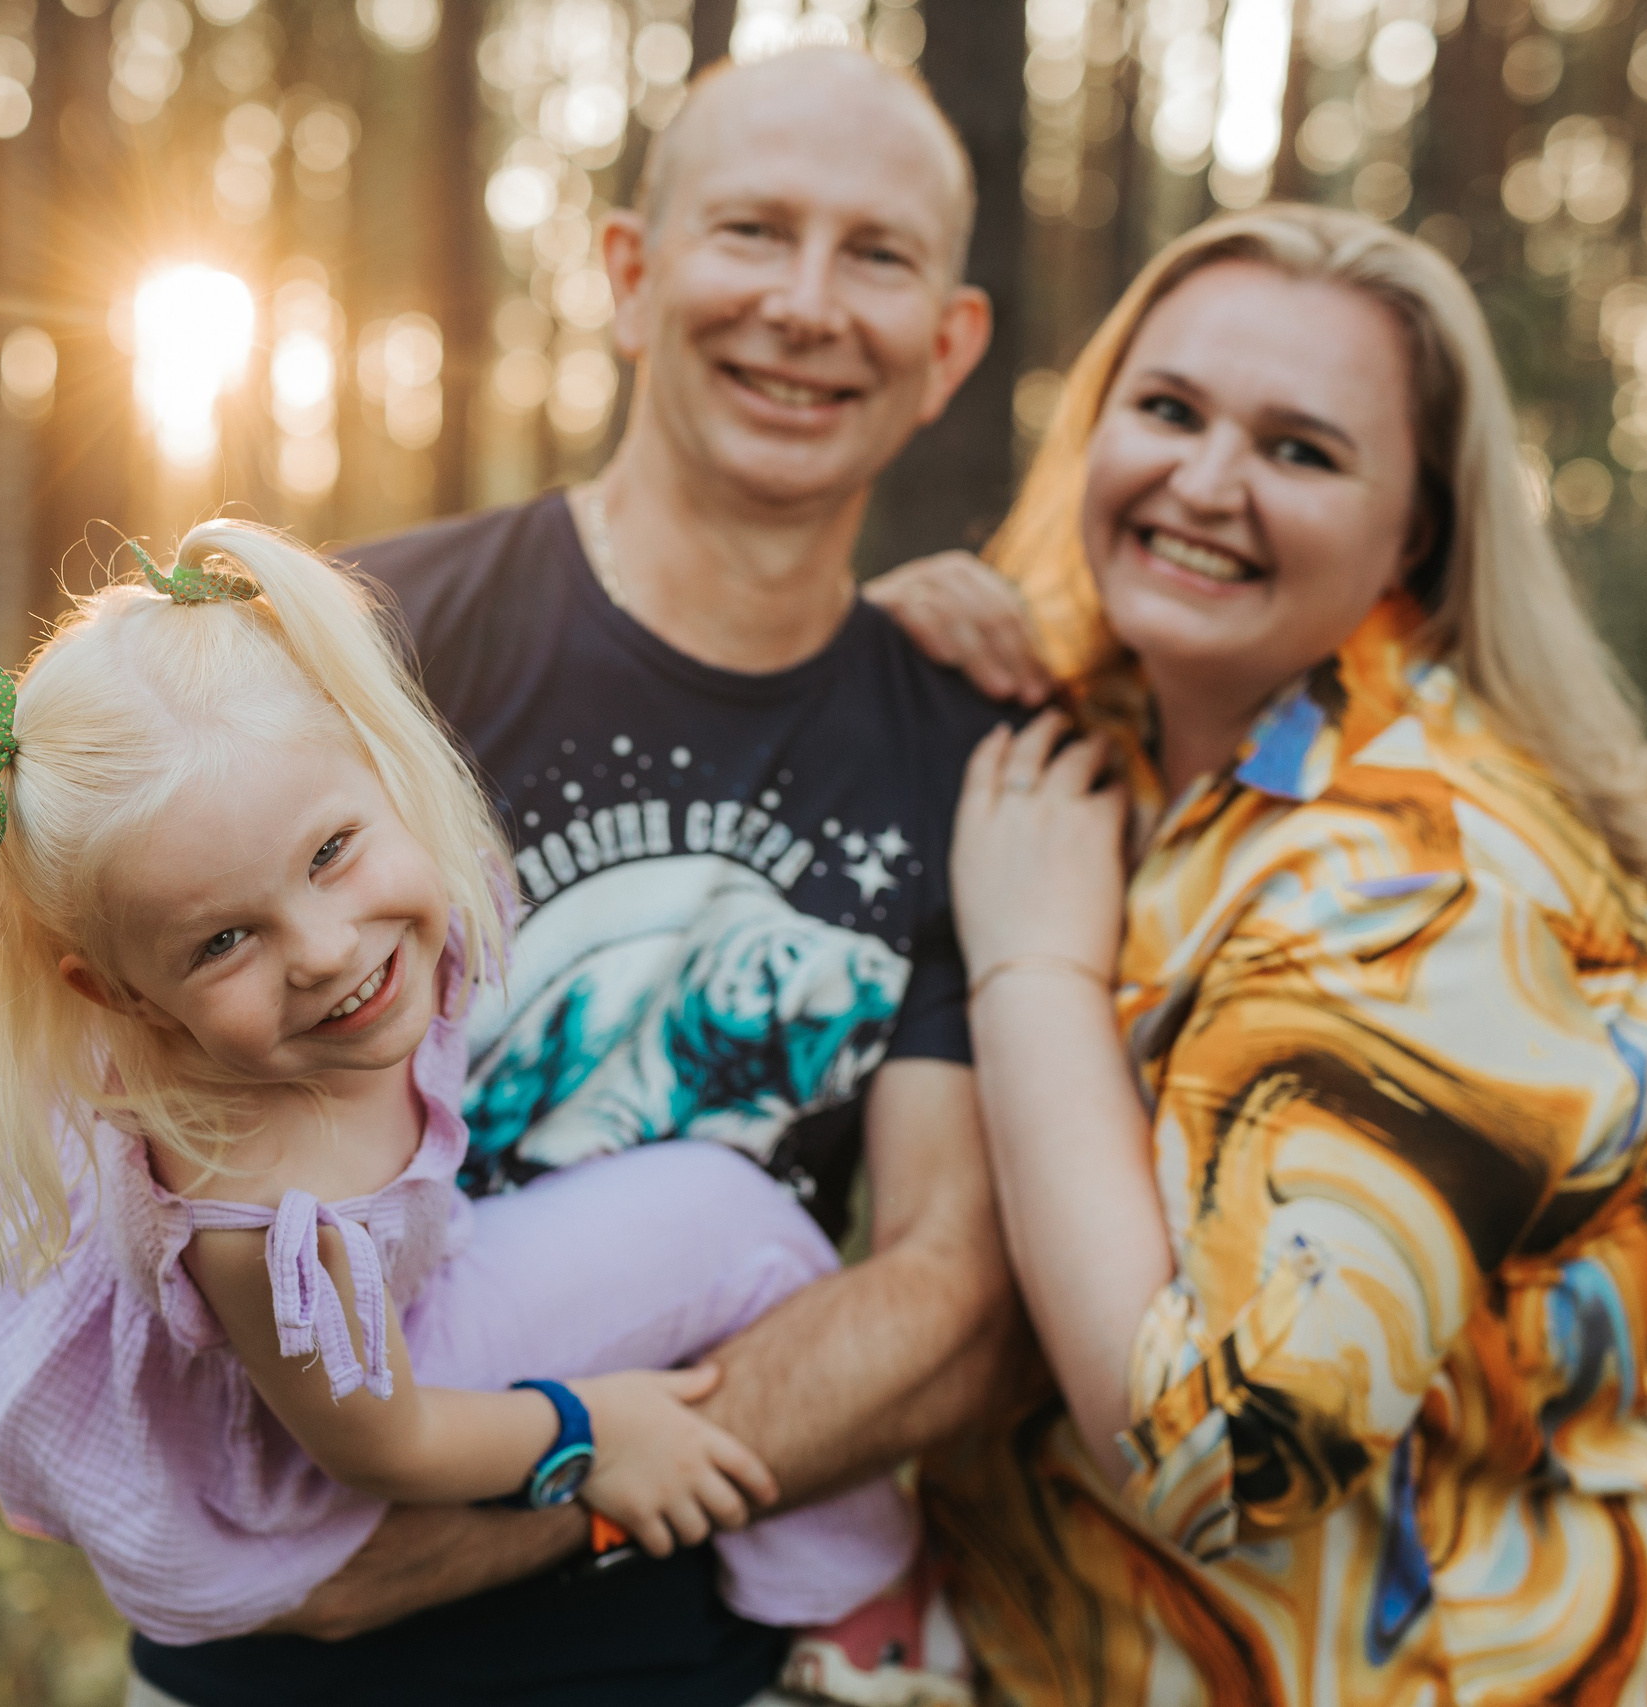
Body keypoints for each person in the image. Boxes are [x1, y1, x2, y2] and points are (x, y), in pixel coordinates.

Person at [119, 44, 1028, 1707]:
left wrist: (491, 1511)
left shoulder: (970, 752)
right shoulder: (355, 644)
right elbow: (46, 1077)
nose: (808, 305)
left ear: (950, 344)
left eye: (878, 254)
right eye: (751, 230)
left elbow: (946, 1293)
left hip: (699, 1655)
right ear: (630, 275)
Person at [0, 524, 945, 1695]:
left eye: (330, 853)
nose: (323, 951)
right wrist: (592, 1431)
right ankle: (855, 1613)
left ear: (380, 762)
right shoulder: (262, 1215)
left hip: (383, 1335)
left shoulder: (347, 906)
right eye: (223, 941)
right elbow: (380, 1443)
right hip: (334, 1460)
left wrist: (858, 622)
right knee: (735, 1226)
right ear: (115, 993)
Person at [918, 204, 1647, 1702]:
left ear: (1412, 527)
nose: (1204, 480)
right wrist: (879, 658)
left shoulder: (1438, 877)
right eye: (1167, 409)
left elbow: (1220, 1454)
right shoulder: (1117, 738)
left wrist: (1033, 974)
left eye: (1301, 450)